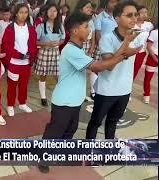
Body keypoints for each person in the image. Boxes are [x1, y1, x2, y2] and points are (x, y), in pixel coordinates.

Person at [38, 10, 141, 173]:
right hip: (64, 101)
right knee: (55, 131)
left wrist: (125, 44)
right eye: (86, 26)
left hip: (74, 100)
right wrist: (124, 54)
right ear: (74, 30)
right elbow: (100, 66)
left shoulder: (78, 49)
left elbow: (106, 62)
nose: (90, 30)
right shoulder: (71, 50)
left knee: (70, 130)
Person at [86, 0, 143, 140]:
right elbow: (109, 66)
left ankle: (109, 150)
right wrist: (126, 44)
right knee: (96, 122)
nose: (134, 18)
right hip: (107, 90)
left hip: (124, 90)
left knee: (112, 123)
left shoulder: (135, 36)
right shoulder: (107, 38)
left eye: (136, 14)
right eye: (129, 15)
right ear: (117, 18)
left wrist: (130, 43)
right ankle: (88, 152)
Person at [1, 3, 37, 116]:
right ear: (16, 13)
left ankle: (22, 103)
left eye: (26, 12)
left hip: (26, 62)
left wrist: (30, 55)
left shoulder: (30, 28)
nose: (23, 15)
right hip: (14, 62)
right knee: (12, 85)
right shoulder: (10, 28)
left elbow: (33, 44)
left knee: (24, 84)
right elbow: (7, 46)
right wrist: (20, 55)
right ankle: (10, 105)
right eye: (21, 12)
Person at [34, 3, 65, 106]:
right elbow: (35, 41)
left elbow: (63, 38)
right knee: (43, 75)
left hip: (55, 52)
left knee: (58, 74)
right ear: (46, 12)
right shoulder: (41, 26)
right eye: (50, 11)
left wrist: (58, 43)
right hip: (44, 51)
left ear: (57, 13)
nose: (52, 13)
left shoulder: (59, 25)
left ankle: (61, 94)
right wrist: (47, 43)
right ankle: (43, 97)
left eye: (55, 11)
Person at [75, 0, 97, 101]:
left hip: (88, 46)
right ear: (81, 8)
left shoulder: (92, 21)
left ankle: (83, 94)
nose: (90, 9)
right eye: (87, 7)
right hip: (78, 45)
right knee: (77, 71)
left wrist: (90, 51)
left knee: (85, 72)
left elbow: (93, 38)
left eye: (90, 7)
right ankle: (76, 93)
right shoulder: (76, 20)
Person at [133, 5, 153, 79]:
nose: (144, 14)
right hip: (130, 51)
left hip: (141, 52)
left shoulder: (149, 25)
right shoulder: (132, 24)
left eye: (146, 12)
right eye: (142, 12)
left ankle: (128, 88)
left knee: (135, 71)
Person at [143, 25, 158, 104]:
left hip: (154, 57)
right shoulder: (154, 32)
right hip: (153, 56)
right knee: (148, 78)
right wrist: (155, 58)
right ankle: (146, 95)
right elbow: (149, 46)